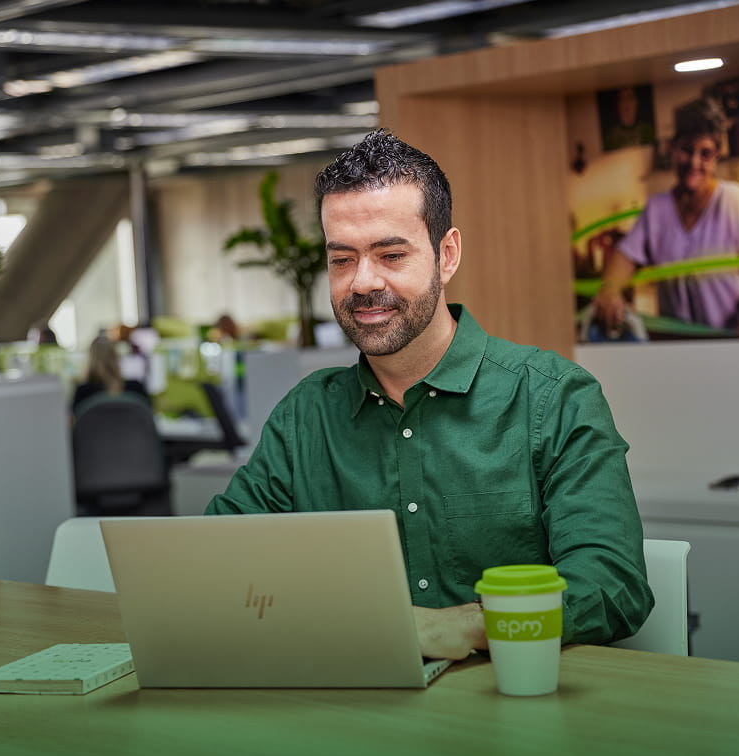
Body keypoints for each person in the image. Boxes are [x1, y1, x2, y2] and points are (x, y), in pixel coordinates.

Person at [206, 129, 653, 660]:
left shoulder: (552, 398)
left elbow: (611, 583)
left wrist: (468, 626)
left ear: (447, 254)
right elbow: (217, 564)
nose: (362, 283)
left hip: (513, 708)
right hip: (354, 709)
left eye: (391, 255)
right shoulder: (306, 416)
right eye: (341, 259)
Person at [592, 97, 739, 338]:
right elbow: (625, 255)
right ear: (672, 147)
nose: (694, 162)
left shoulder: (733, 201)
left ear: (716, 156)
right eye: (686, 150)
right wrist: (610, 291)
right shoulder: (657, 209)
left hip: (731, 342)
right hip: (677, 346)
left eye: (705, 154)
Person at [71, 334, 150, 415]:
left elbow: (75, 423)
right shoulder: (136, 389)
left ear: (90, 360)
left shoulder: (83, 393)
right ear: (116, 357)